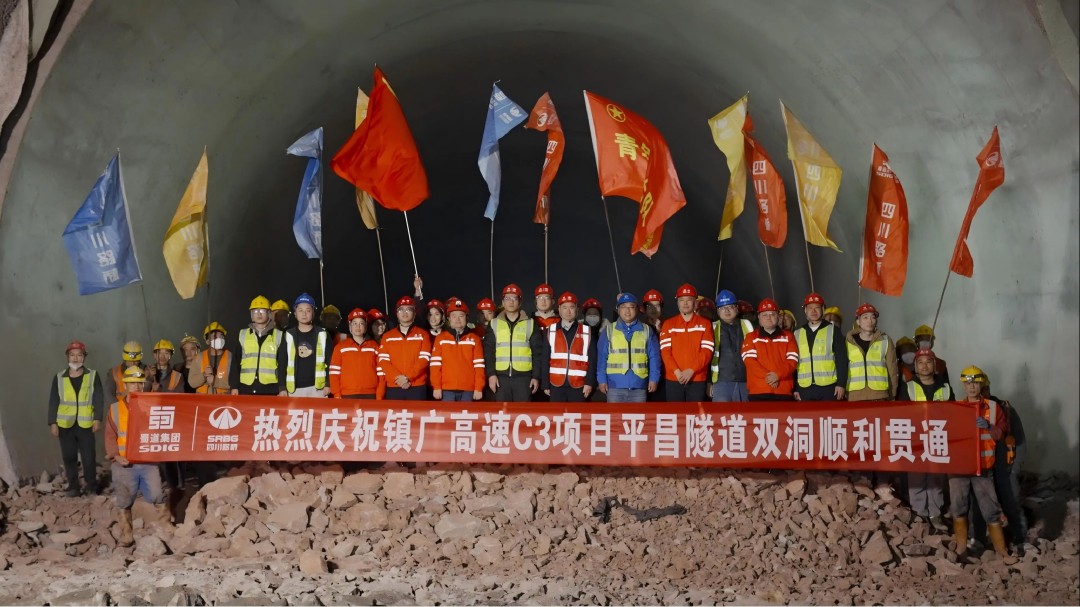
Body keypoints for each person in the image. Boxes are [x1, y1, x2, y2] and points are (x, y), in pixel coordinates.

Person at [950, 366, 1016, 564]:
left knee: (990, 509)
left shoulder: (993, 408)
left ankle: (1002, 552)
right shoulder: (955, 408)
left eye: (976, 383)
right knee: (959, 507)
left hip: (983, 468)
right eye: (968, 383)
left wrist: (989, 426)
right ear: (963, 385)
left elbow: (1003, 432)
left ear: (982, 385)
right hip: (960, 468)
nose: (972, 387)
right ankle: (961, 548)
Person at [105, 365, 172, 547]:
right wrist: (115, 455)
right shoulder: (115, 409)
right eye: (132, 383)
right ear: (125, 385)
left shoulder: (151, 405)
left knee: (157, 494)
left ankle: (166, 526)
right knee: (124, 500)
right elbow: (110, 436)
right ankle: (127, 535)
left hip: (148, 462)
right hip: (124, 464)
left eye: (140, 383)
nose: (136, 387)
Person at [899, 348, 952, 532]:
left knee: (936, 478)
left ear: (934, 365)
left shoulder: (945, 388)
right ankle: (920, 513)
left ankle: (935, 514)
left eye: (928, 362)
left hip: (938, 437)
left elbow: (954, 414)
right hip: (916, 439)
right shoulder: (908, 387)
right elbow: (901, 414)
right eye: (920, 362)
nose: (924, 366)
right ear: (915, 366)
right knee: (917, 477)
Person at [981, 369, 1030, 553]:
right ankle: (981, 539)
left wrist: (1016, 467)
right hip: (983, 468)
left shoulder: (1004, 409)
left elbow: (1020, 440)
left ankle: (1020, 538)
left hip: (1005, 466)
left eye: (984, 388)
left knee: (1011, 501)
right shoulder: (969, 409)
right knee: (981, 504)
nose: (982, 392)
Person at [48, 340, 104, 497]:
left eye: (79, 355)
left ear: (84, 357)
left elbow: (98, 398)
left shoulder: (92, 375)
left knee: (89, 458)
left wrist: (97, 418)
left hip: (86, 424)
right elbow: (53, 400)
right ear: (67, 357)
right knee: (69, 457)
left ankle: (91, 487)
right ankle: (73, 487)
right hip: (65, 425)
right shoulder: (59, 377)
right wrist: (53, 422)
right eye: (72, 355)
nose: (75, 358)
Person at [483, 284, 545, 402]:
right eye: (507, 298)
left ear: (520, 302)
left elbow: (538, 353)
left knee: (522, 412)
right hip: (500, 378)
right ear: (503, 301)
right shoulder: (494, 324)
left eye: (514, 298)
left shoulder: (530, 324)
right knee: (502, 411)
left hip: (524, 379)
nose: (511, 302)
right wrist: (491, 375)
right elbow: (488, 352)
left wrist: (536, 377)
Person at [597, 293, 660, 403]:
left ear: (637, 309)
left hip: (639, 387)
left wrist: (654, 378)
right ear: (618, 310)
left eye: (631, 306)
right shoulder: (608, 330)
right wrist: (601, 380)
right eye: (623, 307)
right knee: (615, 415)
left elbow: (654, 358)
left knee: (639, 415)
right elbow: (601, 358)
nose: (627, 310)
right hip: (614, 387)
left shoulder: (647, 330)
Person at [659, 283, 713, 401]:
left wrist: (691, 370)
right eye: (681, 300)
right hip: (674, 378)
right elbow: (665, 352)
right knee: (675, 412)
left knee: (695, 412)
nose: (685, 303)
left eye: (689, 300)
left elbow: (707, 351)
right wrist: (677, 372)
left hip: (697, 378)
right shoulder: (668, 324)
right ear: (677, 303)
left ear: (695, 302)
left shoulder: (705, 324)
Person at [792, 292, 848, 402]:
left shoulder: (833, 330)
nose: (813, 311)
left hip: (829, 387)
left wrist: (841, 384)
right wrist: (796, 388)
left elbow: (841, 359)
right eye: (810, 308)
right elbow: (794, 362)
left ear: (823, 309)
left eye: (817, 307)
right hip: (804, 387)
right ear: (805, 311)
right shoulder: (797, 333)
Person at [543, 292, 598, 402]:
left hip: (579, 384)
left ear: (577, 309)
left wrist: (589, 383)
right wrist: (545, 384)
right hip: (555, 384)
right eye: (564, 307)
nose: (568, 311)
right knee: (556, 413)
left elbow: (593, 360)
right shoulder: (550, 330)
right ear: (559, 309)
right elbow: (545, 359)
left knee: (577, 414)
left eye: (571, 307)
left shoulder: (587, 331)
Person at [741, 298, 798, 401]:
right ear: (759, 317)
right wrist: (770, 377)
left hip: (783, 390)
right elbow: (750, 361)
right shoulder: (750, 337)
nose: (768, 317)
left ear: (778, 317)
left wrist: (778, 375)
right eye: (764, 315)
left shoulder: (789, 336)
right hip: (758, 391)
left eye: (772, 314)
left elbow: (792, 360)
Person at [378, 296, 433, 400]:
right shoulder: (387, 336)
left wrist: (408, 377)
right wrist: (398, 378)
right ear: (397, 313)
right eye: (401, 310)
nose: (404, 312)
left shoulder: (423, 334)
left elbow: (424, 359)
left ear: (414, 313)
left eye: (408, 309)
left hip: (417, 386)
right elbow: (383, 361)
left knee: (417, 411)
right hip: (394, 385)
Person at [430, 298, 485, 402]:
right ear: (449, 318)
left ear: (467, 317)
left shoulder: (474, 339)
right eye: (454, 316)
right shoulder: (440, 338)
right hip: (446, 389)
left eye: (461, 316)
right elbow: (435, 366)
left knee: (466, 413)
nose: (457, 319)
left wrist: (479, 387)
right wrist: (436, 386)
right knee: (447, 413)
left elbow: (479, 366)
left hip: (468, 389)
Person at [278, 293, 331, 398]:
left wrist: (328, 384)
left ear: (313, 313)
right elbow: (282, 363)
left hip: (318, 389)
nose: (304, 314)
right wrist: (282, 388)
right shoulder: (288, 335)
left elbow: (330, 362)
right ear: (295, 313)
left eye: (308, 310)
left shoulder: (323, 334)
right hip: (294, 389)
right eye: (300, 310)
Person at [230, 295, 283, 396]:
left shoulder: (279, 335)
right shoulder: (242, 334)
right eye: (255, 311)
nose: (259, 314)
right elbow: (235, 363)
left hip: (270, 390)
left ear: (269, 313)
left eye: (262, 311)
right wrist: (234, 386)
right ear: (251, 315)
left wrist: (282, 387)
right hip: (245, 388)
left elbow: (282, 364)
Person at [845, 303, 898, 401]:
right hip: (854, 396)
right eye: (865, 317)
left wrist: (893, 393)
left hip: (880, 395)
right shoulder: (848, 341)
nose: (869, 321)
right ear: (858, 321)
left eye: (873, 317)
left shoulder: (885, 340)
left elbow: (892, 369)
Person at [330, 308, 384, 399]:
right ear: (350, 327)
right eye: (354, 323)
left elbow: (381, 372)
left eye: (361, 323)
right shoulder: (340, 347)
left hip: (371, 394)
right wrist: (337, 394)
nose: (358, 327)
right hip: (347, 395)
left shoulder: (374, 346)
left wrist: (379, 394)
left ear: (366, 326)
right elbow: (334, 373)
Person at [709, 289, 753, 402]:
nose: (727, 310)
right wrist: (708, 382)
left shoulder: (747, 324)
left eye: (730, 307)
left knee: (745, 413)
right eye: (722, 308)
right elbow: (707, 356)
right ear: (717, 311)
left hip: (746, 380)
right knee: (721, 413)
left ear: (737, 308)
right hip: (721, 382)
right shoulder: (712, 327)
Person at [191, 322, 232, 394]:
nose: (219, 339)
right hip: (203, 399)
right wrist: (203, 376)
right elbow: (192, 382)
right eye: (215, 337)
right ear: (207, 341)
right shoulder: (199, 358)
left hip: (224, 399)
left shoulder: (230, 357)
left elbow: (235, 383)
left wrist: (215, 381)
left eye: (221, 336)